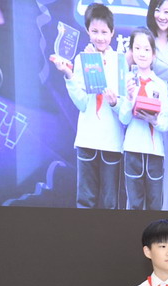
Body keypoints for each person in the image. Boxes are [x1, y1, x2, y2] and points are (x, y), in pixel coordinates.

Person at [52, 3, 123, 209]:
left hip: (112, 141)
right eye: (95, 31)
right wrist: (69, 75)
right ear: (87, 31)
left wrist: (115, 101)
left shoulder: (120, 61)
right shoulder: (81, 59)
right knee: (85, 201)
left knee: (110, 203)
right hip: (87, 140)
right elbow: (82, 103)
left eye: (104, 32)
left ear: (112, 32)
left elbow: (124, 106)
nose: (100, 37)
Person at [119, 27, 168, 210]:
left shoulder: (160, 85)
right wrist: (129, 98)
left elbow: (165, 124)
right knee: (134, 204)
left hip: (155, 152)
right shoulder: (127, 79)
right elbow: (123, 119)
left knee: (154, 205)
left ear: (153, 54)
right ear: (131, 51)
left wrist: (153, 120)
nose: (142, 53)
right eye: (138, 48)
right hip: (132, 149)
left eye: (147, 49)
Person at [147, 0, 168, 210]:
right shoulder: (145, 38)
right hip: (149, 107)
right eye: (157, 10)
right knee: (150, 161)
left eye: (166, 11)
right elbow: (125, 63)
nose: (161, 16)